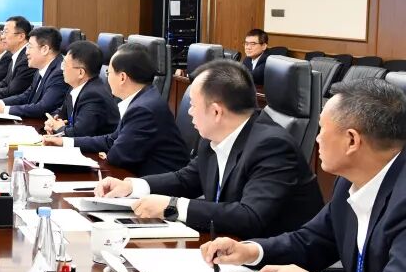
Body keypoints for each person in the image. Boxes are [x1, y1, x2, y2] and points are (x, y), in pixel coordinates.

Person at [201, 79, 406, 272]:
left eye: (322, 129)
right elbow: (312, 240)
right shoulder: (349, 181)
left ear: (352, 140)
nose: (317, 138)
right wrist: (251, 251)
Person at [96, 59, 323, 238]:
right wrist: (132, 186)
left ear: (216, 112)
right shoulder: (212, 137)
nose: (189, 112)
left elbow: (250, 216)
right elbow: (187, 179)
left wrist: (173, 206)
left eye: (193, 105)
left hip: (274, 264)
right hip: (226, 247)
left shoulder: (272, 146)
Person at [43, 43, 189, 175]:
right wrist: (64, 141)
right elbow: (111, 140)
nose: (107, 79)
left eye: (109, 73)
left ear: (122, 77)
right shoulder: (143, 99)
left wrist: (109, 153)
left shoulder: (143, 109)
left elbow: (117, 156)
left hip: (158, 187)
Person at [0, 26, 68, 118]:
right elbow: (26, 96)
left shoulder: (59, 73)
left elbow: (43, 107)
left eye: (30, 47)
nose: (26, 52)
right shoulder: (41, 69)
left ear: (45, 49)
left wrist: (4, 109)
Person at [44, 40, 118, 137]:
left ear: (80, 73)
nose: (62, 69)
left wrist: (59, 129)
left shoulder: (94, 96)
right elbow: (62, 112)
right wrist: (52, 121)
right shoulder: (75, 86)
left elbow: (80, 133)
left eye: (65, 65)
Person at [0, 15, 35, 99]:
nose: (2, 36)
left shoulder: (27, 58)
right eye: (3, 32)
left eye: (6, 32)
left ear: (21, 36)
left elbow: (13, 91)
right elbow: (6, 82)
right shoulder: (15, 55)